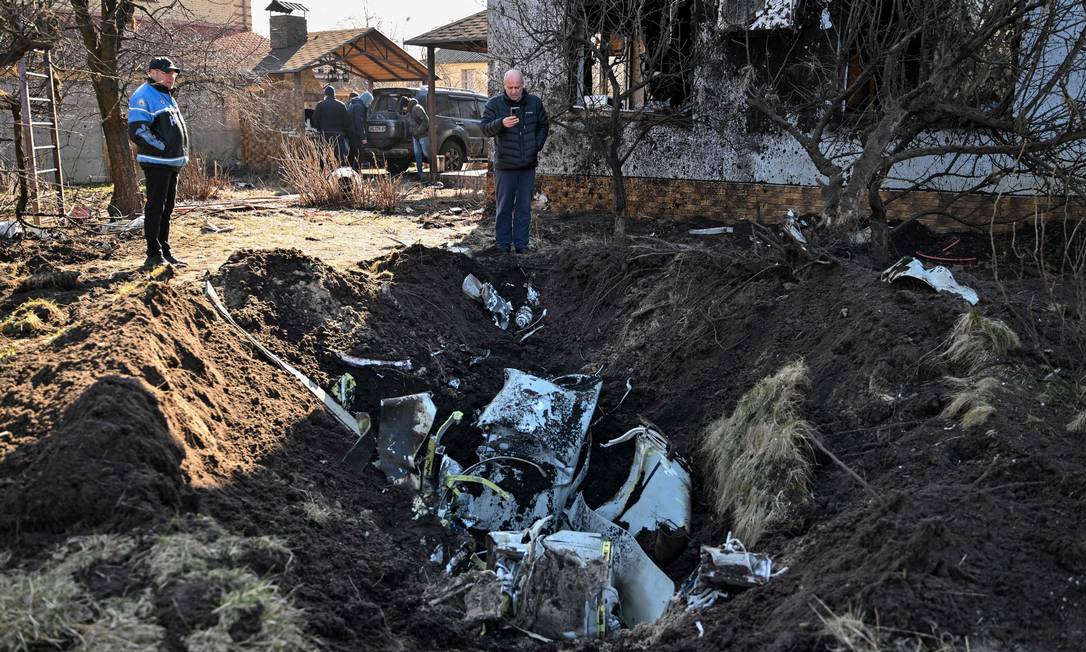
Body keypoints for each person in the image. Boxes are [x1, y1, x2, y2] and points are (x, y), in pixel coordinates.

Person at [128, 56, 190, 269]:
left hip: (171, 163)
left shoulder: (166, 95)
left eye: (173, 73)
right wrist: (163, 149)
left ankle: (165, 251)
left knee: (167, 208)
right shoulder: (143, 95)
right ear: (153, 72)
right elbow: (138, 131)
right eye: (166, 73)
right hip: (157, 162)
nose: (171, 77)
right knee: (155, 208)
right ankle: (153, 254)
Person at [482, 69, 549, 254]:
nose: (513, 91)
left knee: (523, 208)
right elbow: (484, 128)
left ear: (523, 85)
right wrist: (501, 124)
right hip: (505, 166)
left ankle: (521, 244)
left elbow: (544, 124)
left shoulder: (534, 103)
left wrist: (537, 144)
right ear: (504, 86)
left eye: (517, 87)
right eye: (510, 87)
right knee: (503, 207)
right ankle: (503, 245)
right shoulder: (494, 104)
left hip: (527, 166)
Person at [312, 85, 349, 164]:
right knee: (340, 158)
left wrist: (319, 128)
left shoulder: (320, 105)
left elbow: (315, 120)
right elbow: (346, 121)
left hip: (325, 134)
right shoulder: (341, 105)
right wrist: (343, 131)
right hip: (338, 135)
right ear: (334, 94)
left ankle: (323, 174)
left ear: (325, 94)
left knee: (323, 156)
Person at [403, 97, 430, 181]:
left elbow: (426, 120)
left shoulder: (417, 108)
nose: (404, 109)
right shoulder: (409, 111)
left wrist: (418, 131)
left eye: (404, 107)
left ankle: (434, 173)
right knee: (417, 155)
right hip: (416, 137)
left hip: (423, 136)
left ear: (407, 105)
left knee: (427, 154)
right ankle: (420, 175)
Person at [346, 90, 372, 170]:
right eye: (369, 102)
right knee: (357, 155)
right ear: (366, 100)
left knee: (352, 155)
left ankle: (350, 173)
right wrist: (363, 137)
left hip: (350, 134)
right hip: (355, 135)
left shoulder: (353, 104)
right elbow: (359, 123)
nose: (369, 104)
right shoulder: (359, 107)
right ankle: (356, 174)